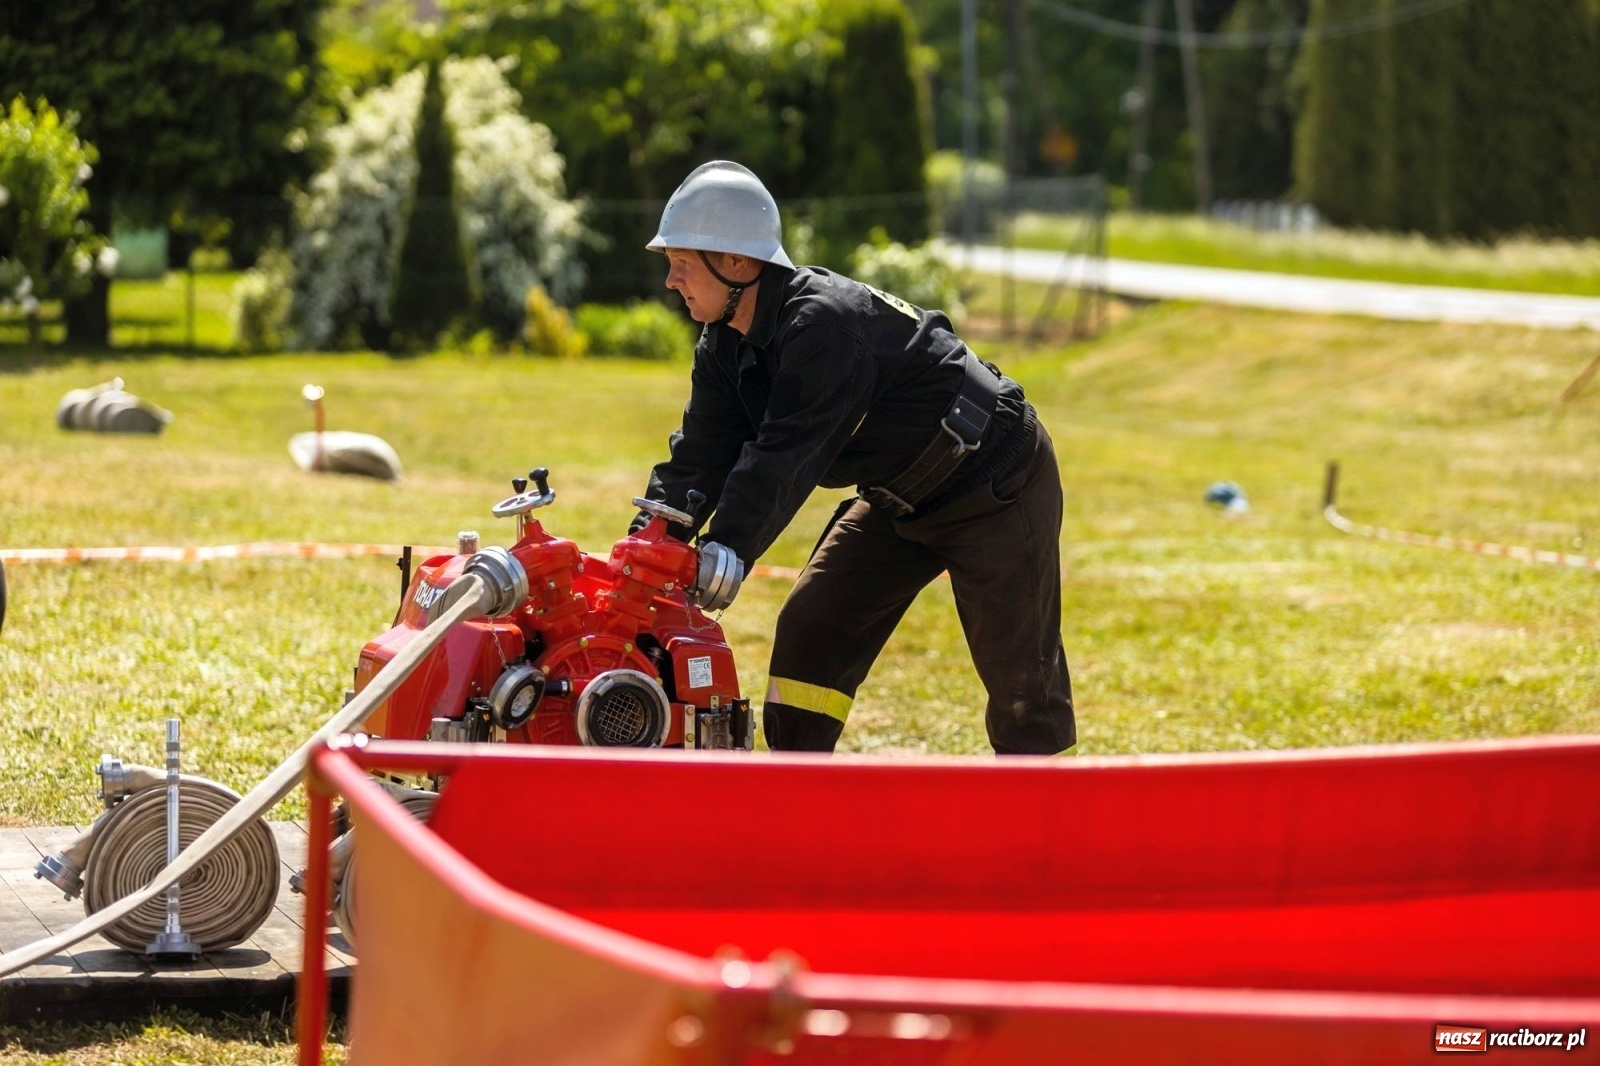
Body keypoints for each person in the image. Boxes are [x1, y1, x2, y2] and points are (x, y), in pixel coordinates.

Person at [633, 160, 1074, 755]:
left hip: (994, 483)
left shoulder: (824, 324)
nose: (671, 280)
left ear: (736, 263)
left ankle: (1049, 828)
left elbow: (785, 455)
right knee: (813, 628)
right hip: (900, 499)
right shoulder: (722, 342)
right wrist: (646, 548)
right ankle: (801, 794)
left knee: (1022, 680)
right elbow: (700, 454)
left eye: (682, 263)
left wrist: (729, 546)